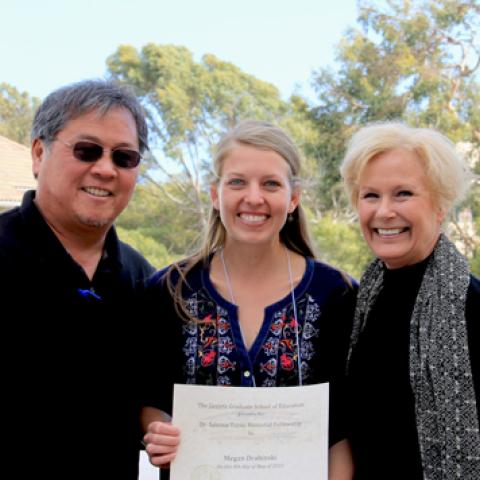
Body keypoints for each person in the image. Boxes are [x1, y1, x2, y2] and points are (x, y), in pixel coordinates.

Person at [141, 120, 356, 479]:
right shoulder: (169, 290)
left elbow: (343, 428)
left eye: (271, 184)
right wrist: (158, 431)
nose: (253, 197)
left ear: (293, 198)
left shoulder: (337, 294)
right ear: (215, 194)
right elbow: (151, 395)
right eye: (237, 182)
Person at [0, 79, 154, 479]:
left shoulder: (145, 283)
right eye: (87, 150)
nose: (105, 169)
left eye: (124, 157)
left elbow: (156, 407)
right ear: (38, 153)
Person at [340, 122, 480, 479]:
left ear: (439, 206)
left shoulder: (471, 304)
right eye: (370, 195)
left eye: (403, 194)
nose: (384, 211)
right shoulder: (355, 304)